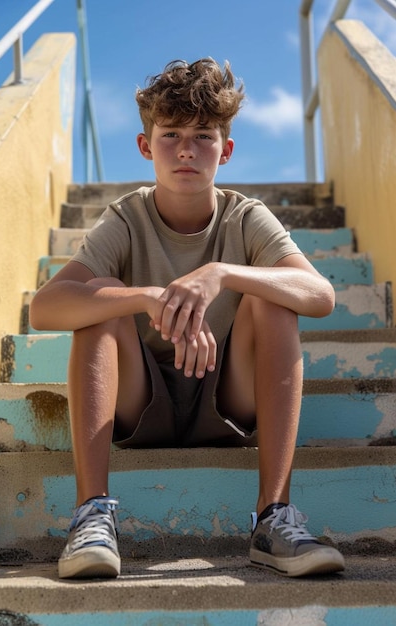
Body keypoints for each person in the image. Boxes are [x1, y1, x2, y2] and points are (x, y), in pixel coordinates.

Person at [30, 58, 345, 579]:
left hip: (228, 400)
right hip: (140, 403)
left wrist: (224, 273)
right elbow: (46, 307)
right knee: (99, 294)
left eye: (203, 135)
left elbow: (320, 294)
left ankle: (274, 517)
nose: (185, 149)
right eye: (170, 133)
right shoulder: (126, 217)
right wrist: (145, 296)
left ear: (226, 149)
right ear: (144, 146)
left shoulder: (244, 216)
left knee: (273, 299)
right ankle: (91, 516)